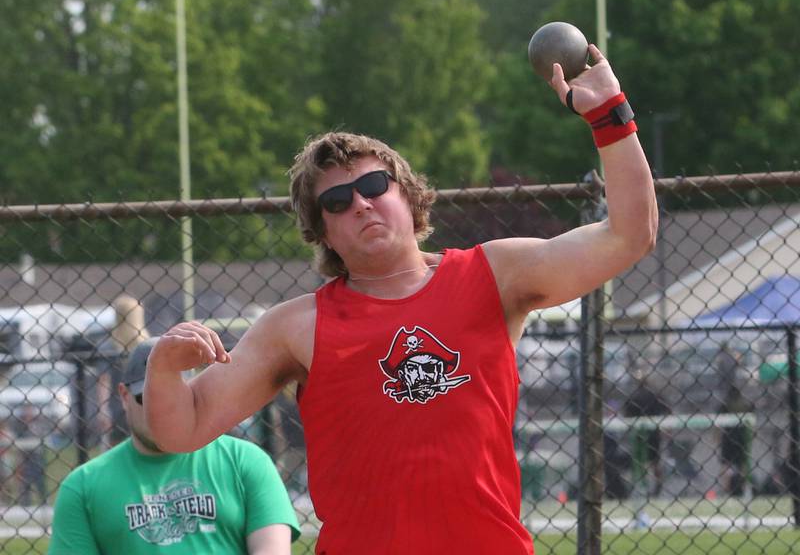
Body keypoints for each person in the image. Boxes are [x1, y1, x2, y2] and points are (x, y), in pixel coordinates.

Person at [144, 44, 657, 554]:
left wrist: (609, 114)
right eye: (338, 202)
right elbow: (182, 428)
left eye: (372, 184)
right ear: (321, 232)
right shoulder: (295, 327)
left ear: (408, 194)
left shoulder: (492, 276)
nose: (361, 204)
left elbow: (630, 235)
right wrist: (163, 367)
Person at [48, 338, 300, 555]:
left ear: (191, 392)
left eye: (172, 394)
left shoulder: (245, 461)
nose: (159, 408)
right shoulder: (83, 486)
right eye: (145, 397)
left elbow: (271, 549)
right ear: (124, 397)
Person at [623, 373, 670, 497]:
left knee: (641, 462)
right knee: (654, 462)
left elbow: (627, 415)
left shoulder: (635, 396)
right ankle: (654, 487)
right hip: (652, 431)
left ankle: (644, 488)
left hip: (640, 432)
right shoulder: (654, 395)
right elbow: (667, 409)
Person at [717, 385, 754, 496]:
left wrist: (716, 437)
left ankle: (726, 489)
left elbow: (718, 424)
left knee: (727, 465)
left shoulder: (725, 406)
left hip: (728, 438)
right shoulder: (745, 406)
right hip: (741, 438)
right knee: (743, 464)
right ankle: (745, 488)